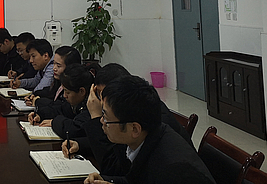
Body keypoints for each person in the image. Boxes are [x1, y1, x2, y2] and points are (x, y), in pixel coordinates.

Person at [83, 76, 215, 184]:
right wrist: (106, 180)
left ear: (134, 129)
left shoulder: (173, 171)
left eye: (105, 117)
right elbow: (134, 180)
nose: (102, 121)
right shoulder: (144, 137)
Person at [62, 63, 193, 162]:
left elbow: (113, 165)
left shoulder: (143, 119)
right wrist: (81, 144)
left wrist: (96, 117)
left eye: (104, 95)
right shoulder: (135, 105)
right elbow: (117, 145)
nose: (101, 101)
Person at [29, 63, 95, 139]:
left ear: (82, 91)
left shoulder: (92, 107)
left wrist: (54, 122)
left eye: (67, 92)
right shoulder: (77, 102)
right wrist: (40, 115)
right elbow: (62, 109)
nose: (64, 95)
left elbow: (76, 129)